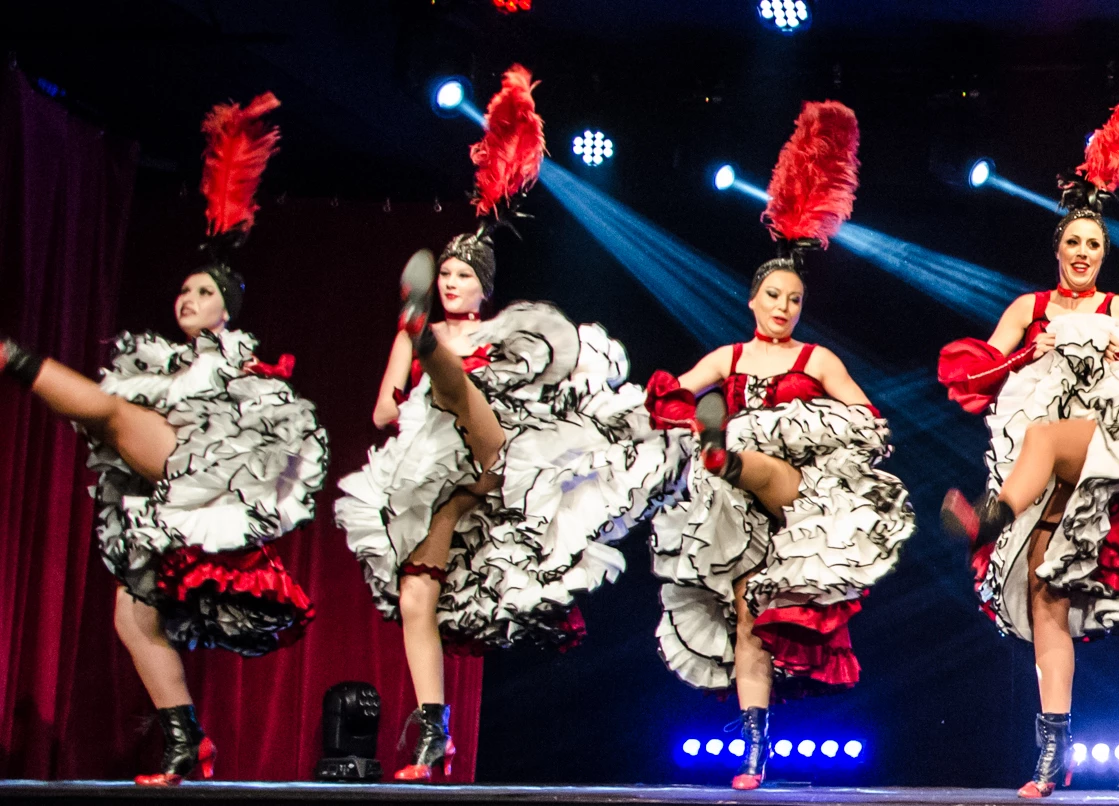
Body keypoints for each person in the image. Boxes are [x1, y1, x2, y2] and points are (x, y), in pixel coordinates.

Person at [335, 65, 685, 782]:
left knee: (463, 397)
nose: (452, 282)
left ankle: (441, 368)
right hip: (431, 470)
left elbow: (543, 390)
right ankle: (434, 731)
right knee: (415, 592)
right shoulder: (413, 336)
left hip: (502, 458)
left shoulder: (507, 334)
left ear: (484, 286)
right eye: (444, 276)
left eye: (462, 276)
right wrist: (404, 404)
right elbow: (380, 413)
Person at [0, 93, 325, 786]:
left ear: (228, 309)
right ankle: (187, 742)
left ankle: (12, 358)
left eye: (203, 292)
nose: (187, 299)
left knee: (112, 416)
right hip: (161, 498)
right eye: (184, 291)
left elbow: (269, 438)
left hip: (204, 474)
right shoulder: (161, 362)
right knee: (130, 618)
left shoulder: (239, 363)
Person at [643, 100, 914, 791]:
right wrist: (675, 408)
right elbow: (671, 393)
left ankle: (726, 453)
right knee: (748, 620)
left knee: (753, 460)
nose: (784, 307)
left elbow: (869, 420)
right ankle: (754, 751)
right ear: (753, 299)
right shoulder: (728, 357)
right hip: (732, 514)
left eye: (794, 299)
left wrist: (814, 428)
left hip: (796, 499)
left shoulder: (817, 360)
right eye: (774, 296)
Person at [938, 86, 1119, 799]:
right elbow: (973, 376)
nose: (1083, 252)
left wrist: (1116, 359)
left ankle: (990, 517)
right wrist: (1029, 353)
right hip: (1042, 473)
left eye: (1094, 245)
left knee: (1051, 437)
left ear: (1105, 254)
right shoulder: (1030, 307)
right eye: (1073, 243)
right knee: (1048, 598)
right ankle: (1053, 754)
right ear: (1057, 250)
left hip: (1101, 446)